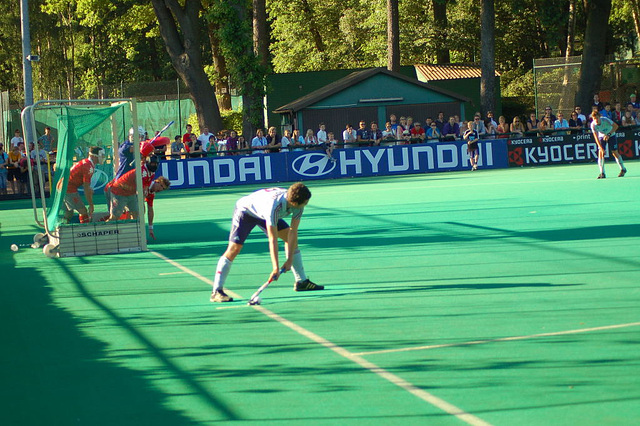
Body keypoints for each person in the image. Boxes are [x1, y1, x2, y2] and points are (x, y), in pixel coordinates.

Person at [210, 183, 323, 302]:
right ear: (294, 203)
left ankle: (301, 282)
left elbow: (293, 232)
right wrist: (275, 267)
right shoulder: (274, 207)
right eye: (305, 203)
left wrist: (289, 260)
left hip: (264, 211)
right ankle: (216, 291)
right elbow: (272, 238)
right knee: (235, 248)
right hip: (246, 211)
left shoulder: (298, 203)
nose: (306, 205)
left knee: (292, 241)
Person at [105, 167, 170, 238]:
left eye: (163, 189)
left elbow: (150, 210)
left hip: (128, 194)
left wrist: (150, 228)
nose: (161, 189)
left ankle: (130, 235)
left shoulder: (151, 193)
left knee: (137, 213)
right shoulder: (144, 180)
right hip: (114, 189)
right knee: (114, 217)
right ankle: (103, 234)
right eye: (161, 186)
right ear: (156, 181)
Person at [59, 146, 105, 223]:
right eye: (101, 156)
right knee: (83, 211)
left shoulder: (87, 163)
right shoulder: (88, 167)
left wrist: (88, 188)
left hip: (63, 186)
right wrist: (91, 205)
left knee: (69, 212)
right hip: (68, 188)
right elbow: (86, 188)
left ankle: (62, 229)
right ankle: (85, 231)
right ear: (93, 156)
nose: (103, 157)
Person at [590, 110, 626, 179]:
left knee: (614, 152)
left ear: (599, 117)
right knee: (601, 153)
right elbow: (596, 137)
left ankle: (623, 169)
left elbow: (615, 126)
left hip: (611, 134)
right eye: (594, 119)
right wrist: (600, 147)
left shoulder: (605, 120)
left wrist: (608, 134)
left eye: (597, 118)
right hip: (602, 136)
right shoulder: (593, 125)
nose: (596, 120)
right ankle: (602, 173)